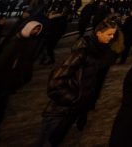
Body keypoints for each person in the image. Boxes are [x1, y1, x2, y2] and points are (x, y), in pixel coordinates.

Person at [39, 17, 119, 146]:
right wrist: (74, 99)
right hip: (60, 109)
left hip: (73, 109)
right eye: (109, 34)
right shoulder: (82, 52)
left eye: (113, 34)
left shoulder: (98, 52)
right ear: (98, 32)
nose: (112, 37)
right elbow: (56, 82)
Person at [0, 20, 43, 142]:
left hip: (11, 81)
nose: (36, 31)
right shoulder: (16, 42)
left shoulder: (30, 42)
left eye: (38, 29)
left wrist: (24, 78)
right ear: (28, 28)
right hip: (4, 81)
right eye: (35, 29)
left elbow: (26, 63)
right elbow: (0, 64)